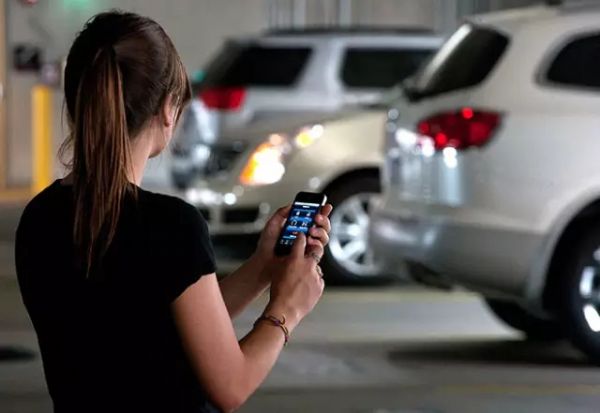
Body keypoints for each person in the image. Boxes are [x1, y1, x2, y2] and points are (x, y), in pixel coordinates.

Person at [15, 11, 332, 413]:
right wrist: (287, 309)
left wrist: (262, 267)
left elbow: (158, 320)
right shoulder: (170, 226)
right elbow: (231, 386)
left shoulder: (39, 219)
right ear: (167, 109)